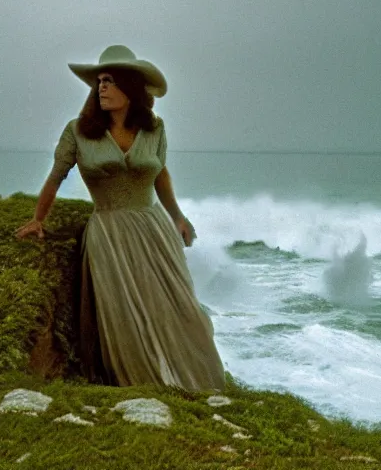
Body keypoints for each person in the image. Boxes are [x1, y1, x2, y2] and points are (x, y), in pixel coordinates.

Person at [15, 45, 226, 391]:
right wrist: (38, 218)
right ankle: (144, 384)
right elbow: (56, 176)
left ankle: (190, 379)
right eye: (99, 81)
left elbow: (161, 176)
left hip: (153, 230)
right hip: (109, 234)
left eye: (110, 81)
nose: (102, 87)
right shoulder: (78, 131)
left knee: (176, 307)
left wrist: (178, 217)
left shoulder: (154, 129)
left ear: (130, 88)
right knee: (124, 315)